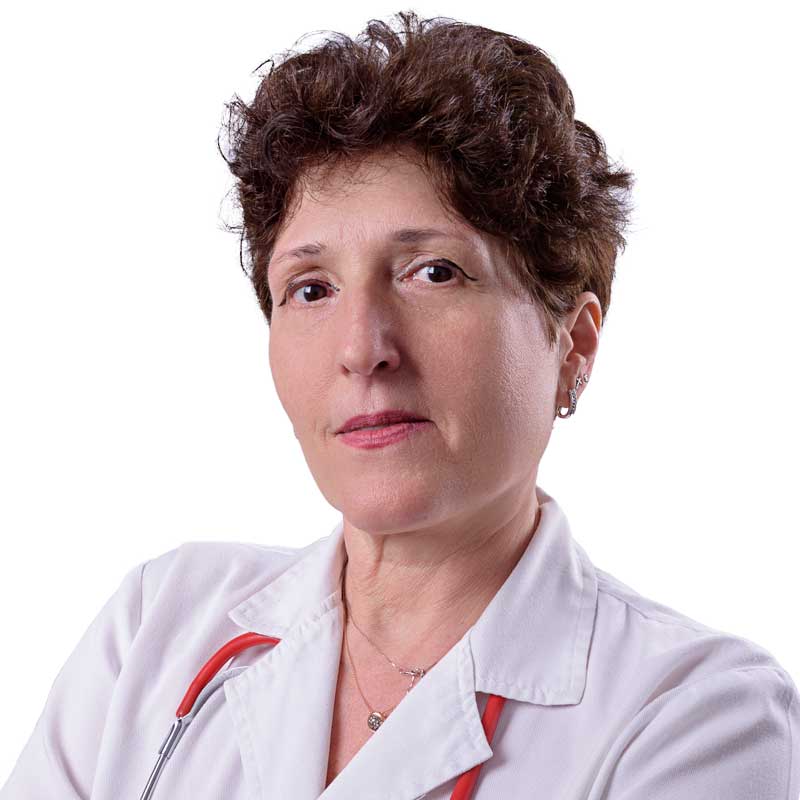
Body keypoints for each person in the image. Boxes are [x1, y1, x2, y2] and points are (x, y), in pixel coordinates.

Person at [3, 11, 798, 800]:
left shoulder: (695, 714)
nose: (362, 348)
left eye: (434, 273)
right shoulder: (157, 628)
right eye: (310, 288)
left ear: (574, 345)